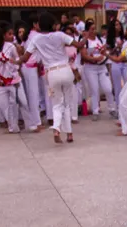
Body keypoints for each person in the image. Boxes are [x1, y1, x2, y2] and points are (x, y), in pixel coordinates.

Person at [24, 11, 81, 144]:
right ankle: (70, 133)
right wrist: (82, 37)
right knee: (67, 103)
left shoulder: (36, 39)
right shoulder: (60, 35)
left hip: (52, 73)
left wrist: (15, 61)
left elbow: (25, 57)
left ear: (39, 25)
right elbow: (78, 45)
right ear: (53, 24)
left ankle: (56, 129)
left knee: (57, 104)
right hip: (66, 70)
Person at [0, 22, 37, 135]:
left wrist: (15, 65)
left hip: (14, 81)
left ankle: (31, 125)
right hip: (0, 82)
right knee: (4, 105)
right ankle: (13, 126)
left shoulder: (10, 47)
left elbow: (18, 60)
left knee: (22, 102)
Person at [82, 21, 114, 121]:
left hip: (102, 67)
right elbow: (84, 55)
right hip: (90, 68)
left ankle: (112, 108)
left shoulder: (100, 39)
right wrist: (94, 59)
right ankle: (95, 110)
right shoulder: (85, 41)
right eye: (92, 29)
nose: (94, 31)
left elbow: (106, 52)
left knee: (108, 88)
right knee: (94, 90)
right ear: (87, 30)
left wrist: (104, 53)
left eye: (95, 28)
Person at [108, 19, 126, 116]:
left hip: (124, 62)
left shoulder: (125, 38)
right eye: (116, 25)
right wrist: (116, 47)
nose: (118, 26)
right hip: (115, 62)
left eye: (119, 24)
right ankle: (118, 108)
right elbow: (109, 52)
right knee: (117, 86)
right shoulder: (110, 39)